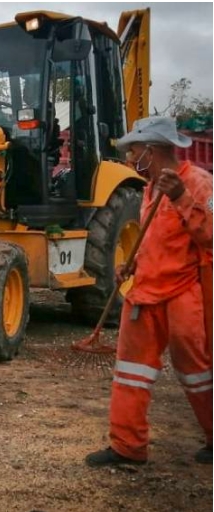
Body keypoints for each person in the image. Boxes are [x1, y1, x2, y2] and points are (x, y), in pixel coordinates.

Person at [86, 116, 213, 467]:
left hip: (183, 294)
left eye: (134, 151)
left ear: (153, 150)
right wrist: (133, 264)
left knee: (198, 372)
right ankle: (127, 446)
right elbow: (154, 239)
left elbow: (211, 236)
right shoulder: (149, 188)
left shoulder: (200, 185)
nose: (130, 160)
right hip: (144, 293)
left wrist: (182, 198)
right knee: (130, 372)